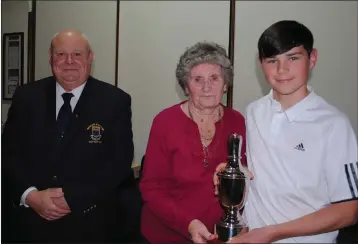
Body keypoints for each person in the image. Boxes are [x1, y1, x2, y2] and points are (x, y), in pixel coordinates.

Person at [214, 20, 358, 243]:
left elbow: (349, 210)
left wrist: (272, 232)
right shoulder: (253, 112)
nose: (282, 70)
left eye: (293, 58)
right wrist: (232, 172)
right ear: (261, 64)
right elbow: (259, 173)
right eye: (272, 60)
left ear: (312, 59)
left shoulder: (334, 124)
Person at [2, 29, 142, 242]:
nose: (69, 61)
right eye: (60, 54)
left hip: (89, 225)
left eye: (77, 54)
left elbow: (118, 163)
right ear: (50, 58)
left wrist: (74, 199)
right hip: (29, 225)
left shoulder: (115, 101)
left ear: (90, 58)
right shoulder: (26, 97)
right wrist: (29, 195)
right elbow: (8, 154)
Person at [139, 42, 247, 243]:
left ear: (225, 85)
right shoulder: (165, 122)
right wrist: (188, 224)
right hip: (167, 234)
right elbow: (151, 188)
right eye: (198, 79)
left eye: (214, 78)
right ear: (186, 87)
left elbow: (243, 176)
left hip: (219, 236)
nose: (207, 87)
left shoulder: (237, 121)